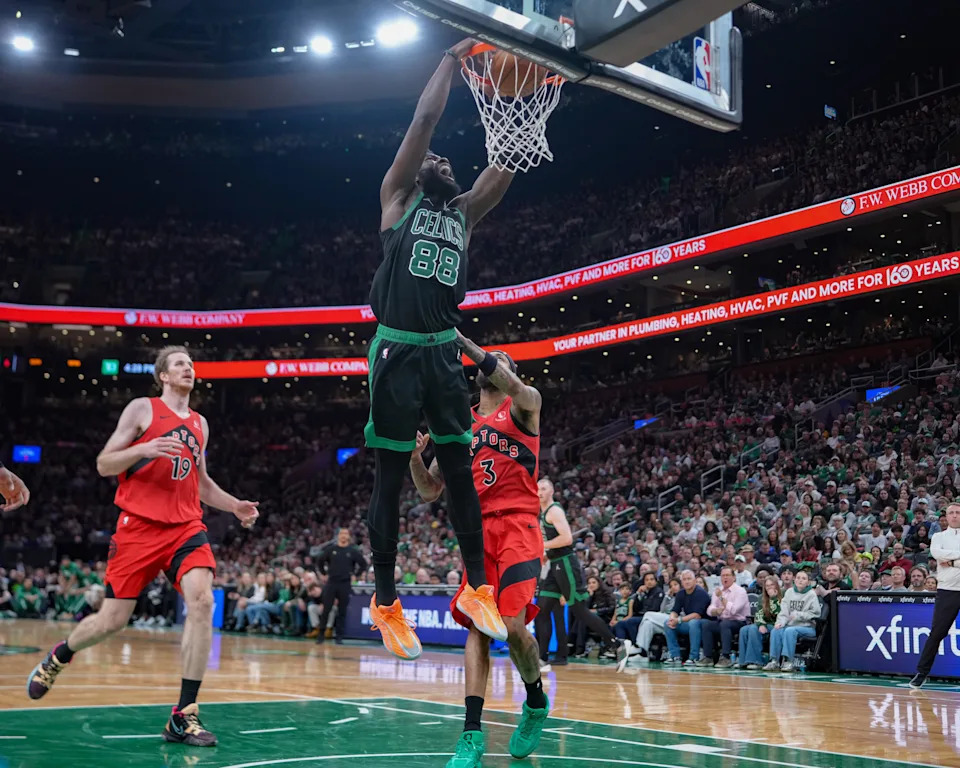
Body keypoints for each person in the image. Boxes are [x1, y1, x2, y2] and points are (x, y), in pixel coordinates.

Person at [365, 38, 517, 660]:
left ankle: (479, 588)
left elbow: (505, 163)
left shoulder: (465, 214)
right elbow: (425, 120)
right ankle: (385, 601)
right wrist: (453, 60)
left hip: (442, 353)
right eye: (436, 159)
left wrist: (524, 97)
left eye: (449, 163)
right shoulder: (398, 199)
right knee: (391, 478)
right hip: (397, 351)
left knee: (459, 472)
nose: (442, 161)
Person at [26, 346, 259, 747]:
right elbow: (104, 463)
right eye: (180, 363)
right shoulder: (142, 409)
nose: (188, 368)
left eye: (191, 364)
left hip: (185, 526)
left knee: (203, 601)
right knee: (111, 620)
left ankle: (183, 715)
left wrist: (234, 505)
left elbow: (201, 483)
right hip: (138, 528)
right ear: (163, 376)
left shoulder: (200, 423)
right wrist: (143, 449)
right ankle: (61, 654)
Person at [409, 337, 548, 768]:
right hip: (477, 533)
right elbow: (430, 490)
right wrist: (415, 457)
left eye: (500, 360)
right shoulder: (458, 425)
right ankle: (471, 733)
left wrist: (461, 341)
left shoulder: (525, 404)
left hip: (520, 526)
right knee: (477, 626)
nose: (493, 363)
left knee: (511, 627)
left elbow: (512, 383)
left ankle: (536, 700)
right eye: (490, 359)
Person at [534, 481, 625, 665]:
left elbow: (567, 538)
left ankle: (616, 644)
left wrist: (542, 546)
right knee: (542, 610)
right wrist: (546, 554)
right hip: (555, 564)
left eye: (543, 488)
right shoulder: (542, 513)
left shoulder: (554, 511)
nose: (539, 492)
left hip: (566, 564)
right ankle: (541, 658)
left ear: (552, 491)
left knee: (579, 611)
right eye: (537, 489)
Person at [911, 502, 960, 688]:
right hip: (947, 591)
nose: (954, 515)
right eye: (951, 513)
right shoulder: (938, 536)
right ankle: (921, 673)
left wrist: (952, 562)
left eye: (958, 512)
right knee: (937, 633)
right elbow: (937, 553)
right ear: (946, 517)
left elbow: (945, 557)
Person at [315, 528, 367, 645]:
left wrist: (356, 575)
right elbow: (320, 561)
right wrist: (323, 573)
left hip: (345, 583)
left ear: (349, 537)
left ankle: (339, 636)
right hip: (331, 582)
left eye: (346, 534)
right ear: (338, 536)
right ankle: (321, 635)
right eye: (341, 533)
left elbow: (363, 564)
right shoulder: (331, 549)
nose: (343, 536)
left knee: (342, 610)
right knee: (326, 609)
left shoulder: (352, 551)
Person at [764, 569, 821, 672]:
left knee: (789, 631)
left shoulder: (811, 594)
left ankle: (788, 661)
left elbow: (816, 613)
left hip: (807, 627)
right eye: (798, 578)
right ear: (794, 580)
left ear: (808, 582)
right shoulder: (789, 592)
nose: (800, 580)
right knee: (776, 630)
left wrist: (799, 615)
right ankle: (774, 661)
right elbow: (784, 611)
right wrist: (780, 622)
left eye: (803, 578)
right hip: (790, 625)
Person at [699, 566, 750, 667]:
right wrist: (715, 611)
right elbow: (710, 609)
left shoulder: (740, 591)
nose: (725, 578)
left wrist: (721, 598)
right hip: (723, 621)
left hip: (739, 622)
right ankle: (708, 657)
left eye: (727, 575)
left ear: (734, 577)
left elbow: (734, 610)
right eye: (723, 576)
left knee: (725, 624)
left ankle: (726, 657)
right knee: (706, 625)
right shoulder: (718, 591)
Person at [663, 570, 711, 666]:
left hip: (705, 623)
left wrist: (678, 620)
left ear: (694, 580)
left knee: (694, 622)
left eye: (689, 579)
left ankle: (694, 657)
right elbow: (675, 610)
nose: (687, 581)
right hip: (689, 622)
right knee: (667, 623)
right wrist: (672, 619)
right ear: (682, 582)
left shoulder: (701, 593)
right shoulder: (681, 593)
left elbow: (697, 615)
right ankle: (675, 656)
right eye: (684, 579)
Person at [738, 576, 782, 670]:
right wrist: (761, 624)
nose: (769, 588)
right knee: (744, 629)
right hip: (764, 623)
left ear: (776, 585)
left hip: (776, 625)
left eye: (772, 585)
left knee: (753, 629)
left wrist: (773, 598)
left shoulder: (782, 596)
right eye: (767, 586)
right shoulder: (761, 597)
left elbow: (779, 613)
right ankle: (743, 661)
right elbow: (758, 613)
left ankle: (756, 661)